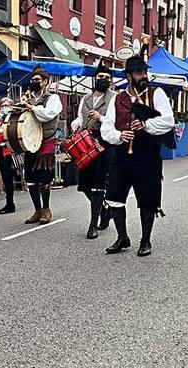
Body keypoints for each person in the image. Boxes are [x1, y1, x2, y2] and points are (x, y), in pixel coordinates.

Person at [100, 54, 175, 257]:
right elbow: (106, 128)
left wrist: (146, 125)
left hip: (148, 154)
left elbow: (168, 121)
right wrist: (119, 135)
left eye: (144, 71)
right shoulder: (118, 98)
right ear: (129, 75)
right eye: (138, 72)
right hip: (122, 154)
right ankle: (122, 237)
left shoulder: (156, 93)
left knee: (147, 199)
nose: (143, 76)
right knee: (114, 197)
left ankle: (145, 240)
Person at [71, 64, 117, 239]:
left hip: (105, 142)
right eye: (100, 77)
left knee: (98, 184)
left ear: (110, 81)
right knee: (83, 183)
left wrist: (102, 118)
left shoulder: (115, 98)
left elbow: (117, 121)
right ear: (95, 79)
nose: (103, 79)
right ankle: (105, 212)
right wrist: (75, 123)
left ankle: (93, 225)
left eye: (106, 77)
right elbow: (80, 117)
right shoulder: (86, 98)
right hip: (86, 141)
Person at [20, 66, 62, 225]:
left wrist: (32, 108)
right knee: (30, 177)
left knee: (44, 177)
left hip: (47, 139)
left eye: (37, 80)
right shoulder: (28, 99)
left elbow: (48, 114)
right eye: (33, 80)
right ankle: (37, 210)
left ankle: (46, 209)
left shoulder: (53, 98)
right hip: (30, 142)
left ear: (45, 82)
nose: (34, 83)